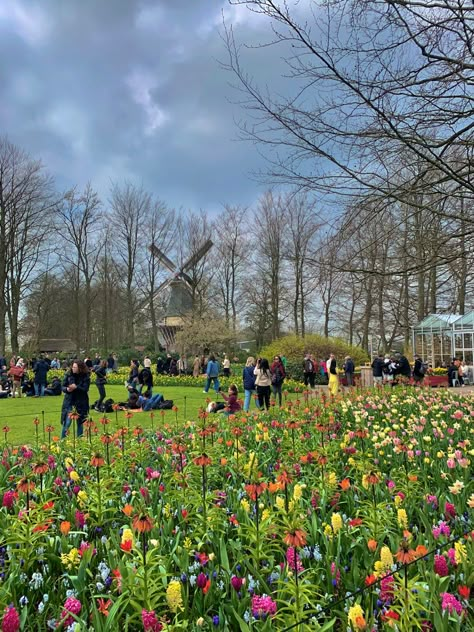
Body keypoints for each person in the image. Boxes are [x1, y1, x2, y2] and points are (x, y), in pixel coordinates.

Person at [60, 360, 90, 438]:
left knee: (80, 422)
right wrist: (67, 389)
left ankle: (79, 442)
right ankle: (62, 441)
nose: (73, 368)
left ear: (80, 368)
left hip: (81, 402)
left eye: (75, 367)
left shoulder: (85, 376)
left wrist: (76, 387)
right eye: (73, 367)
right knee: (67, 423)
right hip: (70, 401)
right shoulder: (69, 375)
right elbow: (63, 386)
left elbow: (85, 389)